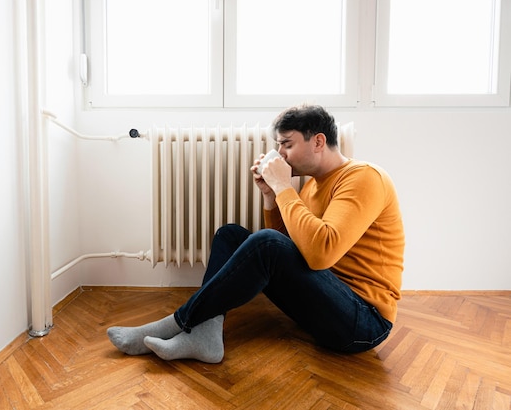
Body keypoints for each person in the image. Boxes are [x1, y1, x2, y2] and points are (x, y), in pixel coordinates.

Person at [107, 104, 404, 363]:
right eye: (279, 145)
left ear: (318, 141)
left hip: (363, 323)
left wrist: (285, 187)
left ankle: (177, 322)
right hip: (328, 301)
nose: (281, 154)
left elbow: (319, 252)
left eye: (287, 144)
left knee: (266, 244)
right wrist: (270, 195)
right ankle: (206, 333)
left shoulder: (364, 177)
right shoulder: (313, 184)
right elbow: (291, 248)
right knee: (230, 234)